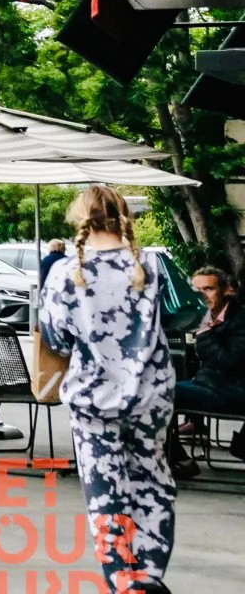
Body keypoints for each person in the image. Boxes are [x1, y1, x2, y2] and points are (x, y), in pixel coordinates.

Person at [37, 185, 176, 594]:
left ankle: (123, 582)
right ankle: (150, 576)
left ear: (80, 219)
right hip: (151, 393)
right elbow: (183, 318)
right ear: (124, 215)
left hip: (92, 398)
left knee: (105, 492)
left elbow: (56, 339)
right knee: (152, 482)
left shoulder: (64, 271)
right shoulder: (153, 264)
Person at [170, 264, 245, 477]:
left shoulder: (240, 319)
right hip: (208, 385)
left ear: (227, 290)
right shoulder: (204, 317)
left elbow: (228, 360)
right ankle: (174, 456)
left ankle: (178, 461)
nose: (202, 296)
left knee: (160, 394)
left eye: (208, 289)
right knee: (155, 389)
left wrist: (203, 332)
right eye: (196, 291)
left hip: (231, 392)